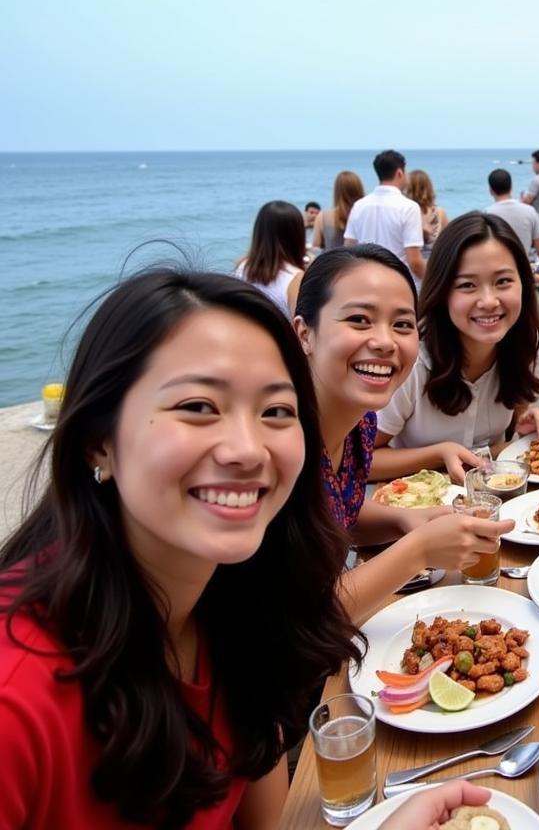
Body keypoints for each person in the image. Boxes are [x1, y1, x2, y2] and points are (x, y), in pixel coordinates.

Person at [0, 269, 363, 828]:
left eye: (276, 412)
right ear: (99, 441)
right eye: (197, 406)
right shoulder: (17, 703)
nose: (247, 450)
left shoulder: (241, 607)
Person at [292, 246, 511, 623]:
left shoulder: (359, 426)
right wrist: (418, 550)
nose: (385, 341)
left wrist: (407, 521)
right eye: (360, 319)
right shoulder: (281, 446)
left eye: (402, 324)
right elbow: (302, 621)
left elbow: (336, 513)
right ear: (304, 333)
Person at [374, 212, 539, 483]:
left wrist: (530, 426)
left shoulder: (530, 346)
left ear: (523, 282)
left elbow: (516, 427)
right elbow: (361, 462)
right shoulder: (411, 359)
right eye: (467, 285)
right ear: (443, 290)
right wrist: (438, 454)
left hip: (497, 502)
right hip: (420, 510)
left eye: (503, 281)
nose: (488, 301)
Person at [344, 150, 425, 283]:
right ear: (400, 173)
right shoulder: (409, 207)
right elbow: (414, 261)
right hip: (399, 280)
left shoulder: (359, 205)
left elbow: (348, 247)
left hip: (366, 279)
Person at [234, 200, 307, 314]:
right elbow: (299, 327)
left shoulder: (242, 266)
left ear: (259, 232)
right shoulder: (295, 279)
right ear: (297, 236)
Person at [486, 168, 539, 261]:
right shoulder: (529, 211)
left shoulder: (487, 214)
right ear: (511, 187)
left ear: (491, 191)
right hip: (525, 267)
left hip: (500, 268)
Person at [312, 170, 365, 251]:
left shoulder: (323, 217)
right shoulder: (365, 215)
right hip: (360, 262)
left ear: (337, 191)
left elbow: (316, 247)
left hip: (331, 262)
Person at [405, 169, 449, 262]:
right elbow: (448, 244)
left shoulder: (405, 213)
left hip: (410, 266)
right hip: (435, 266)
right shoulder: (440, 213)